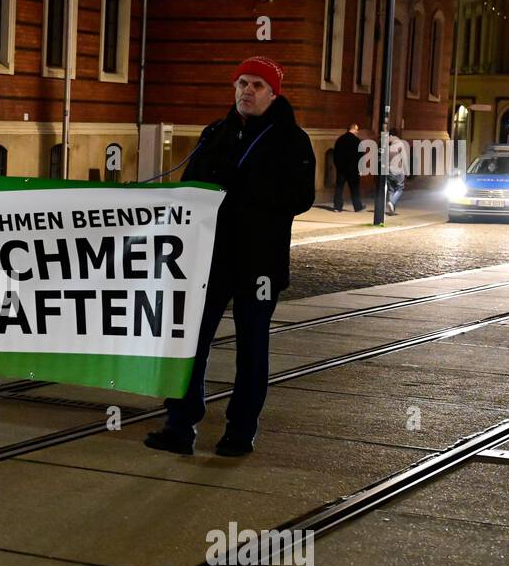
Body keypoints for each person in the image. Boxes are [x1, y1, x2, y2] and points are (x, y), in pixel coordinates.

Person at [144, 56, 316, 457]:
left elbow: (299, 198)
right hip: (208, 261)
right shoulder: (215, 133)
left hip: (260, 262)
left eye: (257, 85)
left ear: (274, 93)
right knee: (190, 342)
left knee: (251, 346)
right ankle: (180, 424)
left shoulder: (292, 140)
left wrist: (244, 192)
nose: (247, 92)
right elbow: (190, 190)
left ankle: (240, 430)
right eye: (241, 83)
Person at [332, 123, 364, 212]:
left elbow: (335, 154)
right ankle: (357, 207)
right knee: (354, 188)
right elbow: (360, 156)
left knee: (339, 187)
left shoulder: (340, 140)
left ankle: (337, 207)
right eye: (357, 130)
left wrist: (338, 166)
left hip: (341, 169)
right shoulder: (357, 141)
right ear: (353, 129)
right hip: (353, 169)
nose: (358, 132)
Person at [386, 131, 407, 215]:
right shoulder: (400, 145)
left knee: (391, 190)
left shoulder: (388, 146)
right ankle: (392, 202)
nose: (388, 138)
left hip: (389, 171)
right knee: (400, 189)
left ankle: (391, 210)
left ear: (391, 135)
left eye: (388, 136)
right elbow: (404, 158)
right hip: (398, 171)